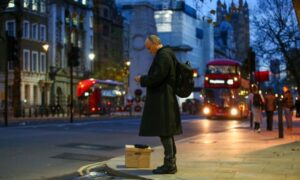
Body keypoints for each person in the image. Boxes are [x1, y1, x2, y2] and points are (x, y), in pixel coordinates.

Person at [134, 35, 182, 174]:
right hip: (165, 96)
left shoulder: (163, 56)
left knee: (164, 131)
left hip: (163, 98)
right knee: (166, 131)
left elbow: (157, 77)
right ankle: (170, 162)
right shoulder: (166, 54)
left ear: (155, 43)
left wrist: (141, 79)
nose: (149, 51)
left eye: (149, 48)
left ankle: (170, 164)